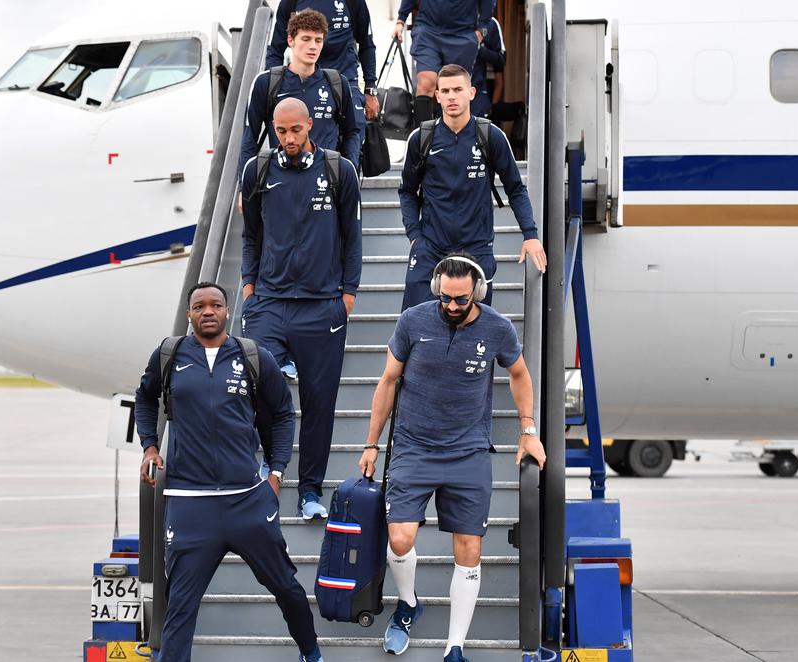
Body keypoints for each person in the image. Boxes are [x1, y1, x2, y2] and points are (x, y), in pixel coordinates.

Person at [358, 254, 547, 661]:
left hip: (468, 452)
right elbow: (388, 380)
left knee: (469, 549)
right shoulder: (412, 320)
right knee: (399, 538)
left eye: (461, 300)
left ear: (476, 292)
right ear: (436, 290)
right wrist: (371, 443)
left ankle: (454, 647)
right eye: (446, 298)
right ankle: (408, 603)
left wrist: (527, 430)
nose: (452, 306)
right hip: (413, 447)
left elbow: (519, 374)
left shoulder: (497, 327)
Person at [135, 282, 324, 662]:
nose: (208, 311)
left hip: (247, 500)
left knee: (287, 587)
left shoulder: (253, 355)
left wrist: (276, 474)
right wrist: (150, 446)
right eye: (199, 306)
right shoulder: (169, 355)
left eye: (216, 305)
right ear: (189, 314)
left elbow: (284, 413)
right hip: (190, 504)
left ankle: (311, 653)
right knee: (181, 607)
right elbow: (145, 396)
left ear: (227, 311)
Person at [240, 97, 362, 520]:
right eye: (281, 131)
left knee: (319, 403)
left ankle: (310, 490)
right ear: (273, 129)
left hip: (323, 307)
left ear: (310, 125)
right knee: (258, 382)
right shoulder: (257, 171)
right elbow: (251, 234)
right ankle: (266, 465)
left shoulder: (338, 170)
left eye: (296, 130)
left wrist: (347, 296)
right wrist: (248, 284)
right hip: (269, 303)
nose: (288, 138)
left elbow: (353, 236)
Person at [399, 64, 546, 312]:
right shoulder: (421, 138)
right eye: (445, 91)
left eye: (458, 89)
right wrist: (415, 236)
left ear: (472, 93)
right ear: (437, 96)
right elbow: (407, 192)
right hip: (431, 248)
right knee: (416, 327)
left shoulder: (490, 135)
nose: (451, 96)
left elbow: (516, 189)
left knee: (473, 333)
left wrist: (530, 235)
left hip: (477, 248)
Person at [241, 8, 362, 174]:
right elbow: (249, 139)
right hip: (281, 180)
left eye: (318, 40)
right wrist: (244, 187)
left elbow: (352, 132)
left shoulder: (337, 83)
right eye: (306, 39)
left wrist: (349, 170)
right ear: (291, 40)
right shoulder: (267, 83)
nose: (313, 46)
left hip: (326, 182)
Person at [267, 0, 379, 129]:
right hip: (302, 87)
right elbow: (274, 52)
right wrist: (274, 91)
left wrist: (371, 90)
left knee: (355, 139)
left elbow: (367, 45)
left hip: (346, 83)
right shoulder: (290, 1)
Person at [393, 0, 498, 124]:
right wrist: (401, 19)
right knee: (426, 82)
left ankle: (454, 143)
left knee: (454, 91)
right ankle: (423, 145)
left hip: (463, 33)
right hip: (429, 27)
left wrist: (482, 30)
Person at [470, 16, 505, 118]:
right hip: (450, 91)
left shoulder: (491, 23)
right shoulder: (446, 19)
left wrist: (479, 48)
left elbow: (501, 60)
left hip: (479, 92)